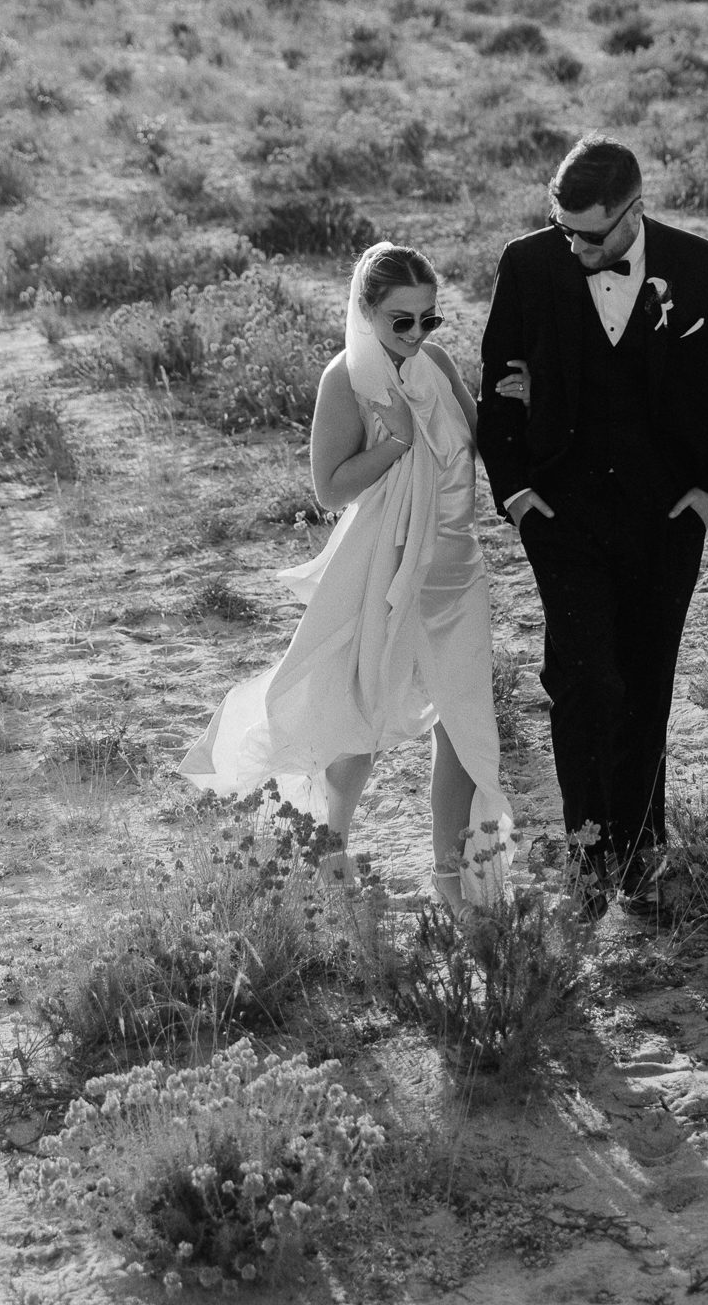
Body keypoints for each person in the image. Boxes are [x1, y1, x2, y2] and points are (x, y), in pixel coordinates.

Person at [476, 135, 708, 923]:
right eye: (563, 228)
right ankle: (586, 853)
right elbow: (495, 380)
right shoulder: (528, 264)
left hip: (667, 518)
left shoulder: (706, 269)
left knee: (645, 683)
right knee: (581, 680)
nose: (574, 247)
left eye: (590, 234)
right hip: (561, 516)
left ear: (634, 213)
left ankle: (642, 853)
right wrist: (516, 492)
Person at [181, 242, 524, 926]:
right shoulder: (346, 379)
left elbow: (479, 442)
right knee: (357, 719)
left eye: (430, 318)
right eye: (403, 321)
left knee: (463, 726)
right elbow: (330, 489)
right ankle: (330, 851)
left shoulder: (438, 364)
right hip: (385, 571)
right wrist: (394, 442)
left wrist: (516, 407)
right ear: (367, 311)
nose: (418, 333)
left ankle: (451, 877)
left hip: (457, 572)